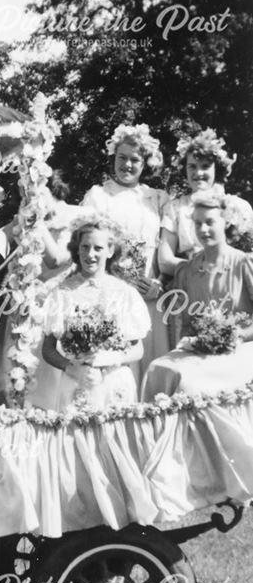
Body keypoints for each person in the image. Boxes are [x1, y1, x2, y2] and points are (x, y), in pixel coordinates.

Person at [142, 190, 253, 398]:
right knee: (158, 369)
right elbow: (186, 326)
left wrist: (237, 335)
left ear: (226, 223)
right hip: (203, 350)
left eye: (210, 222)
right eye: (198, 223)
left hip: (242, 349)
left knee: (191, 386)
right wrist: (191, 345)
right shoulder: (188, 271)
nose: (203, 229)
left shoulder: (243, 263)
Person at [82, 123, 169, 377]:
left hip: (149, 294)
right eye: (122, 158)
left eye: (135, 159)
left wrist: (159, 283)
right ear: (113, 159)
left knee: (150, 363)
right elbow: (87, 246)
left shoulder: (157, 198)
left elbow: (166, 248)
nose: (127, 165)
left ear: (145, 163)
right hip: (109, 295)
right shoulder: (98, 196)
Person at [37, 217, 150, 412]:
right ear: (77, 249)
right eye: (85, 247)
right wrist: (73, 369)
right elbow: (48, 349)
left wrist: (106, 361)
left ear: (110, 251)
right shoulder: (62, 293)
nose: (90, 254)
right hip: (76, 381)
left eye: (98, 248)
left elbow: (137, 350)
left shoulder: (124, 293)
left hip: (113, 381)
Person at [158, 128, 253, 276]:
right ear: (185, 168)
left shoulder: (238, 207)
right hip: (189, 285)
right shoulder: (175, 208)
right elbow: (165, 262)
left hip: (229, 282)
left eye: (205, 166)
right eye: (192, 166)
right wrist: (202, 269)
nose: (198, 173)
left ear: (217, 169)